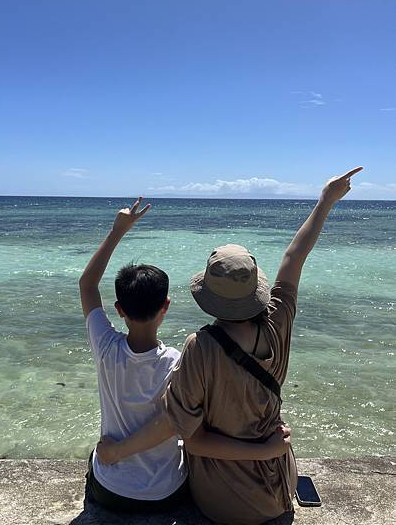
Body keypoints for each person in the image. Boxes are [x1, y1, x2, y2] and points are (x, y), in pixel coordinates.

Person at [96, 168, 363, 524]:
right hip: (276, 486)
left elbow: (193, 441)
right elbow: (294, 257)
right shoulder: (278, 321)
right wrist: (325, 201)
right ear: (255, 287)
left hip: (220, 500)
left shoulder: (199, 347)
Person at [79, 197, 292, 514]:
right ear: (166, 307)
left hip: (111, 490)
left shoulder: (105, 346)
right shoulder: (179, 359)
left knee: (94, 464)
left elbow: (87, 284)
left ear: (119, 309)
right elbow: (173, 424)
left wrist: (117, 231)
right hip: (166, 492)